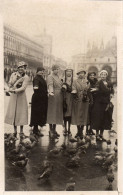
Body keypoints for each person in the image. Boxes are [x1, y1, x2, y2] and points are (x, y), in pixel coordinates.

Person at [5, 61, 29, 137]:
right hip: (14, 97)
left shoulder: (26, 77)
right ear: (17, 68)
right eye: (19, 67)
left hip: (21, 96)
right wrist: (13, 82)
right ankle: (15, 131)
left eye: (22, 67)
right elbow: (9, 83)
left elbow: (23, 88)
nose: (21, 69)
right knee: (14, 113)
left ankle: (21, 131)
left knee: (21, 113)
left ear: (25, 68)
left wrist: (14, 90)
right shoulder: (13, 74)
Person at [90, 70, 114, 141]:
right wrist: (95, 89)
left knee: (104, 118)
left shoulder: (109, 83)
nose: (103, 76)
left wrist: (111, 95)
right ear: (100, 75)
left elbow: (112, 90)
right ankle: (97, 135)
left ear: (106, 75)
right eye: (102, 74)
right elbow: (97, 88)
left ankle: (101, 135)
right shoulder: (98, 82)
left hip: (106, 102)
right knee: (98, 118)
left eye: (104, 74)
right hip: (99, 103)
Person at [71, 68, 89, 139]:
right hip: (78, 99)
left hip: (85, 100)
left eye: (83, 73)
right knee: (78, 115)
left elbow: (88, 89)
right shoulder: (75, 81)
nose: (81, 74)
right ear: (78, 74)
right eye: (80, 73)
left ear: (85, 74)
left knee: (84, 115)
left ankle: (81, 131)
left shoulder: (87, 81)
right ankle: (78, 131)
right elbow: (73, 88)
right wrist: (75, 92)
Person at [30, 66, 48, 136]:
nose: (42, 72)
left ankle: (37, 130)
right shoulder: (36, 78)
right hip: (38, 99)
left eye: (43, 71)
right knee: (36, 114)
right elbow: (36, 88)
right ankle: (35, 131)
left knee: (39, 114)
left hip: (41, 98)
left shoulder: (41, 78)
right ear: (37, 71)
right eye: (41, 71)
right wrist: (40, 92)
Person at [47, 64, 63, 138]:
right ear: (53, 69)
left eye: (58, 69)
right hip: (53, 96)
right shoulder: (50, 76)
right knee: (52, 113)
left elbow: (60, 85)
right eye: (56, 69)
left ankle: (54, 129)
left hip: (59, 96)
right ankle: (50, 130)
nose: (57, 70)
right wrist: (51, 92)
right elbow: (50, 85)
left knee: (57, 113)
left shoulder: (58, 77)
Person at [62, 69, 73, 136]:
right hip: (65, 97)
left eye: (70, 72)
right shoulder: (63, 79)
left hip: (71, 98)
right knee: (65, 113)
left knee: (70, 114)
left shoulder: (73, 80)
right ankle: (65, 128)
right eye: (67, 72)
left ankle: (69, 128)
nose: (69, 73)